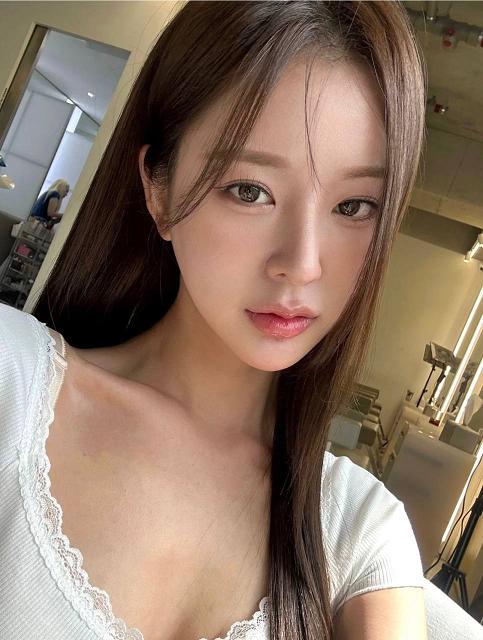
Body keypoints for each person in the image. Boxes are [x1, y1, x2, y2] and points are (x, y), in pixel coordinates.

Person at [0, 2, 429, 639]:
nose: (302, 264)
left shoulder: (358, 531)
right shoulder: (13, 383)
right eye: (250, 190)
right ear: (159, 189)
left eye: (354, 205)